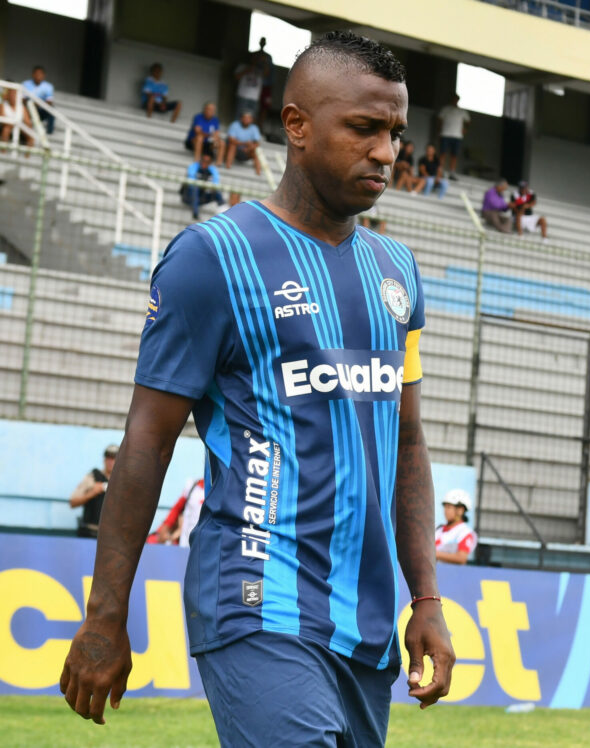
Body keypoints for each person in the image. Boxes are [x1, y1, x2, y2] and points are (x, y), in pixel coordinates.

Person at [59, 30, 453, 742]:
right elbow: (147, 441)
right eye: (364, 128)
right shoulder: (212, 259)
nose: (386, 152)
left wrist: (426, 596)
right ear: (296, 125)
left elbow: (408, 442)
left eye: (395, 133)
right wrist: (104, 615)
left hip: (364, 622)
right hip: (254, 596)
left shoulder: (398, 273)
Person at [69, 444, 117, 539]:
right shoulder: (93, 477)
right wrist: (92, 493)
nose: (110, 462)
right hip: (91, 532)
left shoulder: (122, 482)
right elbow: (73, 502)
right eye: (108, 458)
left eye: (114, 458)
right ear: (104, 460)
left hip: (112, 535)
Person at [149, 477, 205, 547]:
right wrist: (165, 527)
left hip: (206, 543)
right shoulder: (192, 486)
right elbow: (177, 508)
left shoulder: (217, 491)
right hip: (185, 542)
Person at [434, 489, 478, 565]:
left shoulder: (465, 532)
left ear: (460, 510)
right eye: (445, 507)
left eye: (449, 507)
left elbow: (461, 558)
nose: (445, 510)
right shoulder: (438, 529)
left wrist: (435, 554)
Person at [180, 152, 225, 219]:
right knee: (195, 188)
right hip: (188, 196)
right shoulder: (193, 167)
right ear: (200, 160)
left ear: (210, 163)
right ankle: (195, 213)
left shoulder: (212, 170)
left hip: (201, 197)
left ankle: (223, 212)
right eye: (203, 160)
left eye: (207, 162)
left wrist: (209, 187)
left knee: (216, 191)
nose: (204, 163)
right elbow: (191, 182)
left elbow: (215, 184)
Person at [436, 94, 469, 178]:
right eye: (454, 99)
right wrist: (439, 130)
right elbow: (439, 120)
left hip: (457, 136)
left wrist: (465, 129)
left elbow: (468, 121)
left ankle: (452, 172)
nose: (455, 100)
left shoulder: (462, 111)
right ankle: (440, 171)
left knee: (454, 155)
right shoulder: (445, 109)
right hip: (445, 134)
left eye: (456, 99)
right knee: (443, 153)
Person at [21, 65, 55, 134]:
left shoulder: (48, 86)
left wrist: (38, 104)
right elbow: (22, 99)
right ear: (33, 74)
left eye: (40, 74)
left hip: (40, 108)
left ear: (44, 75)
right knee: (27, 103)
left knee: (52, 109)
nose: (38, 76)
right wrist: (31, 103)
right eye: (36, 74)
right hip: (27, 108)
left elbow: (49, 101)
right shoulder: (25, 84)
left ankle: (49, 132)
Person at [234, 52, 265, 118]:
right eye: (255, 58)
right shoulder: (242, 66)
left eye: (258, 58)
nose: (257, 59)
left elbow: (267, 75)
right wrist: (250, 67)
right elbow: (236, 77)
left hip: (255, 98)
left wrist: (265, 62)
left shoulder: (261, 69)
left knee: (251, 118)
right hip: (243, 96)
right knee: (239, 117)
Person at [255, 37, 274, 128]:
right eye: (261, 42)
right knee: (255, 106)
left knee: (264, 107)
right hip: (255, 85)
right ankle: (254, 125)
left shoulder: (268, 57)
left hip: (266, 86)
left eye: (264, 42)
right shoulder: (255, 55)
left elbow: (270, 73)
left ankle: (260, 125)